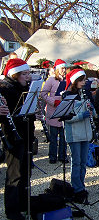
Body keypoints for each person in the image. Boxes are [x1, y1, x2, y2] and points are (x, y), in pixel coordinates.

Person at [0, 58, 35, 220]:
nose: (28, 77)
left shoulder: (25, 88)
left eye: (28, 73)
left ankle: (23, 202)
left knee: (26, 170)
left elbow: (27, 112)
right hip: (13, 136)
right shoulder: (5, 89)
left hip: (26, 133)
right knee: (15, 174)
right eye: (25, 74)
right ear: (15, 75)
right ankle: (12, 210)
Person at [62, 69, 94, 203]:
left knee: (82, 162)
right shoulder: (67, 95)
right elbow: (65, 117)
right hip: (74, 133)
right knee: (76, 162)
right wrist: (81, 115)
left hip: (86, 132)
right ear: (75, 81)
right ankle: (76, 188)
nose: (84, 83)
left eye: (84, 80)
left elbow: (93, 111)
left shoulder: (84, 94)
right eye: (81, 80)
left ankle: (81, 185)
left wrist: (91, 110)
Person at [41, 59, 67, 164]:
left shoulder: (67, 80)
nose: (64, 70)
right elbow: (43, 94)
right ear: (57, 69)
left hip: (64, 111)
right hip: (53, 111)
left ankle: (62, 155)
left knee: (63, 137)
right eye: (62, 68)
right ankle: (52, 156)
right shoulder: (51, 80)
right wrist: (53, 101)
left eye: (65, 68)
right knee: (53, 137)